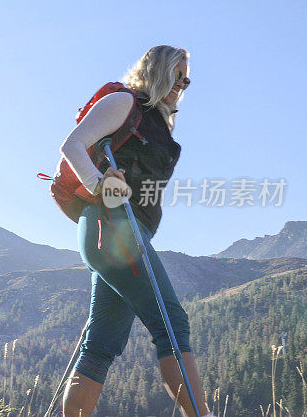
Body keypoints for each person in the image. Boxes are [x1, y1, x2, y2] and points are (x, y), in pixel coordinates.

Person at [59, 45, 212, 416]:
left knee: (100, 345)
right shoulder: (124, 103)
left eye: (187, 79)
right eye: (177, 75)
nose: (182, 85)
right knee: (171, 324)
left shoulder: (156, 122)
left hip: (122, 233)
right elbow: (72, 144)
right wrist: (98, 184)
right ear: (156, 71)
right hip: (112, 227)